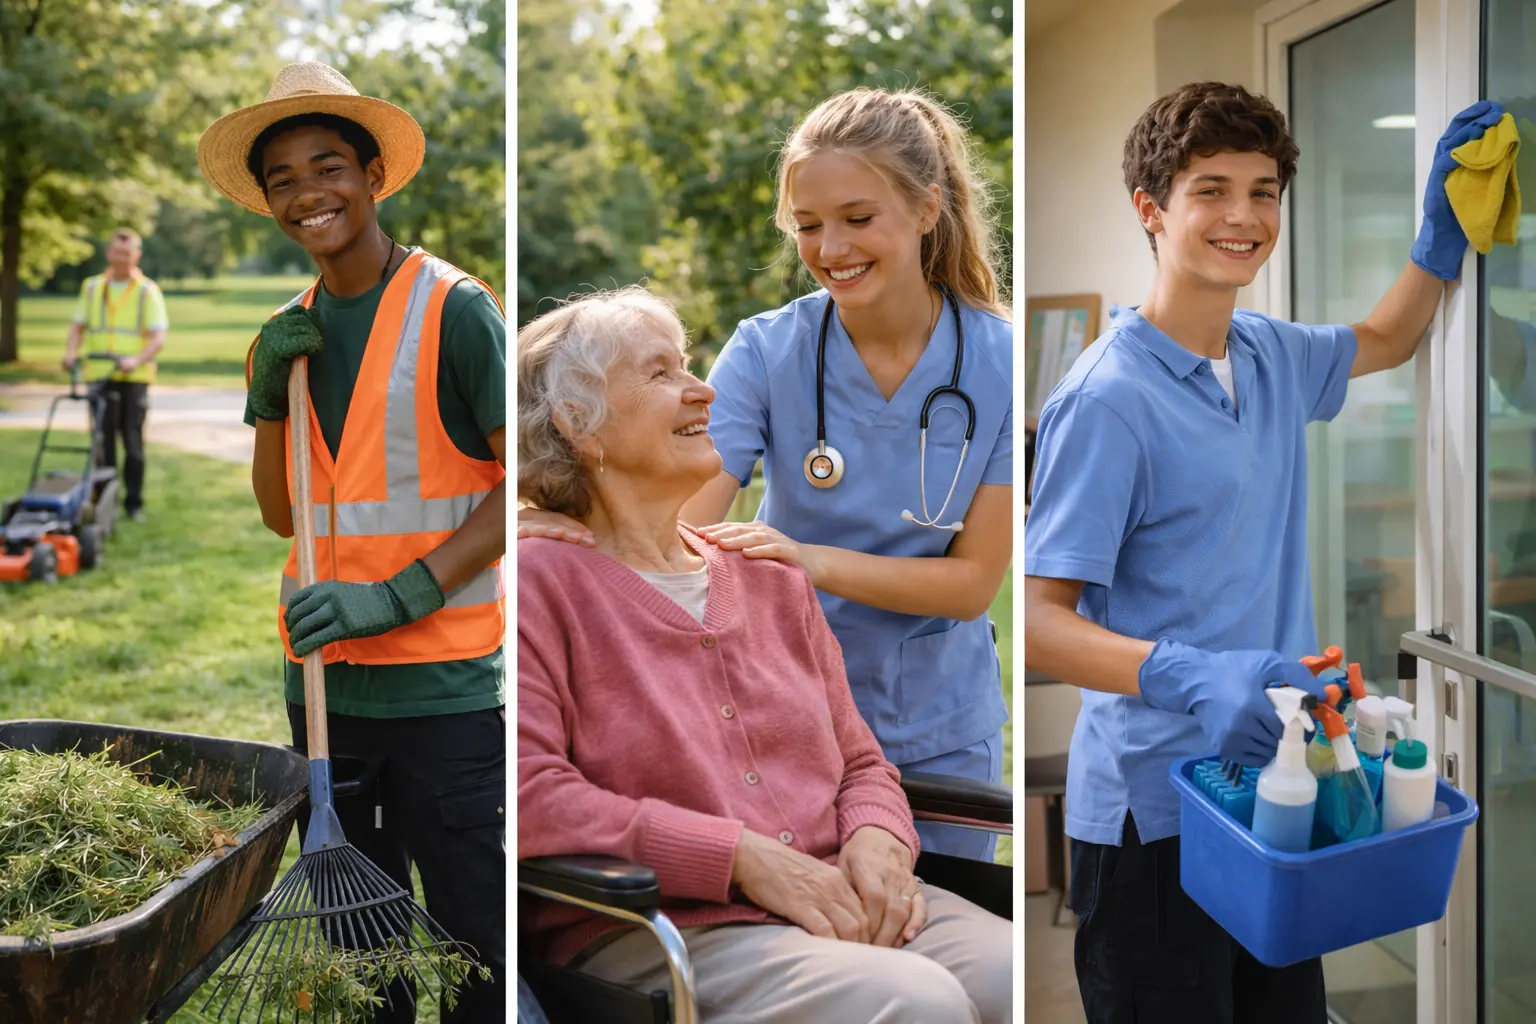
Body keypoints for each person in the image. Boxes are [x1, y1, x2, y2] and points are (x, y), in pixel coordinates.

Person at [1023, 81, 1503, 1023]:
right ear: (1152, 210)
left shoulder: (1270, 355)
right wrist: (1191, 675)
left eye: (1263, 191)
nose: (1243, 216)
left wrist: (1436, 238)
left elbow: (1387, 336)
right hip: (1156, 817)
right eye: (1211, 190)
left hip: (1276, 795)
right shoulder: (1107, 399)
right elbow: (1040, 627)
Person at [519, 88, 1014, 862]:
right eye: (807, 226)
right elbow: (675, 514)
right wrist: (566, 524)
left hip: (937, 723)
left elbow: (973, 583)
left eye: (857, 218)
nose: (830, 248)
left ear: (927, 208)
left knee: (946, 929)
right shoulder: (767, 351)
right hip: (788, 713)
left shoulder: (998, 361)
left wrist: (806, 559)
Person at [517, 288, 1011, 1024]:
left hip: (834, 888)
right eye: (659, 375)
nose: (702, 389)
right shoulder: (542, 578)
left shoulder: (767, 572)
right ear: (576, 422)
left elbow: (862, 763)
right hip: (669, 924)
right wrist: (740, 856)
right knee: (918, 1004)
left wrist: (879, 842)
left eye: (686, 365)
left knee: (1009, 975)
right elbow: (530, 796)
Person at [196, 61, 506, 1023]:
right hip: (327, 691)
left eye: (326, 165)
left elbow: (523, 486)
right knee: (360, 956)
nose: (305, 194)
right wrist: (263, 407)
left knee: (473, 944)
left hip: (442, 690)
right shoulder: (282, 336)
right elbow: (286, 515)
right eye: (281, 179)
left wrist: (402, 593)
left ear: (373, 174)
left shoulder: (454, 310)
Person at [61, 227, 168, 522]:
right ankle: (103, 502)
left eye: (127, 252)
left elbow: (158, 337)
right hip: (99, 373)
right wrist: (70, 353)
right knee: (101, 442)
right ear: (109, 253)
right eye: (117, 252)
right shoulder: (92, 287)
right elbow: (78, 326)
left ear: (137, 255)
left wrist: (136, 359)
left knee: (132, 442)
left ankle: (133, 504)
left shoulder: (148, 290)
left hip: (134, 379)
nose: (122, 258)